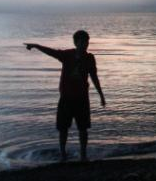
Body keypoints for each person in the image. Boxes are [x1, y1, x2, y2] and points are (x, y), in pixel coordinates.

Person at [24, 30, 106, 162]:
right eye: (82, 42)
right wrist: (36, 45)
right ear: (75, 43)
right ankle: (63, 155)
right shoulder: (67, 55)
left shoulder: (90, 58)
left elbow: (94, 77)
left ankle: (83, 156)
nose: (85, 45)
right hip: (66, 98)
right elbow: (51, 52)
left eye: (86, 42)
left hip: (82, 98)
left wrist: (101, 95)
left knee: (83, 129)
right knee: (63, 128)